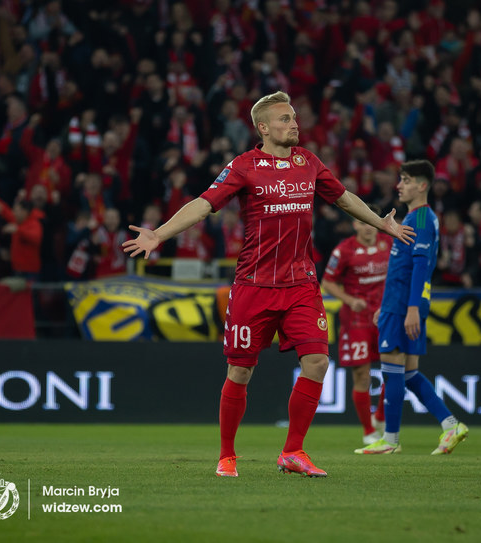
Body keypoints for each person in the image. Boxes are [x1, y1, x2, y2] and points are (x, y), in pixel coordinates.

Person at [122, 91, 414, 478]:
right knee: (240, 372)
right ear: (263, 127)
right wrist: (159, 235)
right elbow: (204, 203)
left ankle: (293, 450)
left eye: (294, 118)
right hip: (254, 285)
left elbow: (344, 198)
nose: (294, 124)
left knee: (317, 361)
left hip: (301, 284)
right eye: (284, 119)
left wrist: (383, 223)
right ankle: (227, 455)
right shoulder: (244, 166)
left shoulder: (307, 162)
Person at [355, 160, 469, 455]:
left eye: (405, 180)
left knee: (391, 370)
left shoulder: (420, 219)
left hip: (405, 305)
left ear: (421, 186)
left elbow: (419, 266)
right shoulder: (418, 219)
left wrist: (411, 308)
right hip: (399, 303)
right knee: (409, 374)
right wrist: (387, 304)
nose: (399, 185)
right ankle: (450, 425)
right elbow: (402, 267)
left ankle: (390, 441)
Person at [321, 203, 391, 447]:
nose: (368, 227)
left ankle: (381, 416)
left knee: (393, 369)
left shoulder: (389, 243)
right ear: (355, 223)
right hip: (356, 321)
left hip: (385, 316)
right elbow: (327, 282)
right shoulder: (344, 250)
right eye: (363, 221)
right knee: (361, 375)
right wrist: (351, 300)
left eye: (372, 221)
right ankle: (369, 430)